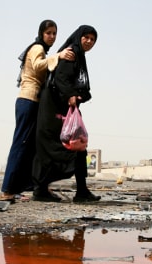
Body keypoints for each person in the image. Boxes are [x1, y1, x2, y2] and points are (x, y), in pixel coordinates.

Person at [0, 20, 74, 201]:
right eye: (49, 33)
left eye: (54, 33)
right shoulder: (37, 49)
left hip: (33, 102)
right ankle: (8, 189)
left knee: (29, 147)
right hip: (28, 100)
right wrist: (59, 56)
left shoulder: (41, 50)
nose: (52, 36)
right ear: (41, 34)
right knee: (20, 144)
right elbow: (38, 66)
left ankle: (18, 187)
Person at [32, 25, 100, 203]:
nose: (89, 41)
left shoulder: (78, 55)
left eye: (93, 39)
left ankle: (80, 191)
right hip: (54, 110)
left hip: (61, 109)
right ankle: (44, 190)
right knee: (59, 147)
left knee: (76, 146)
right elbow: (61, 77)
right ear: (79, 37)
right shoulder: (72, 53)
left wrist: (76, 95)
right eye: (86, 37)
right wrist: (71, 95)